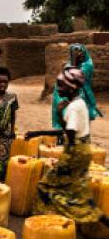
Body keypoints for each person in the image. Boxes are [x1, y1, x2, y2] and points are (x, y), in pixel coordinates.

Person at [27, 67, 109, 227]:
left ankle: (46, 224)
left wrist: (58, 115)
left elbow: (68, 134)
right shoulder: (79, 103)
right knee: (81, 196)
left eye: (61, 85)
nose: (58, 89)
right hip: (83, 150)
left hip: (74, 152)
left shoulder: (73, 107)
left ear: (71, 87)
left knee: (46, 187)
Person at [52, 44, 102, 130]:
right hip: (70, 93)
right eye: (73, 54)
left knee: (79, 119)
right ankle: (62, 131)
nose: (79, 57)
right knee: (66, 115)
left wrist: (74, 62)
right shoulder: (69, 64)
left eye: (80, 54)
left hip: (81, 94)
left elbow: (77, 75)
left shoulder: (87, 65)